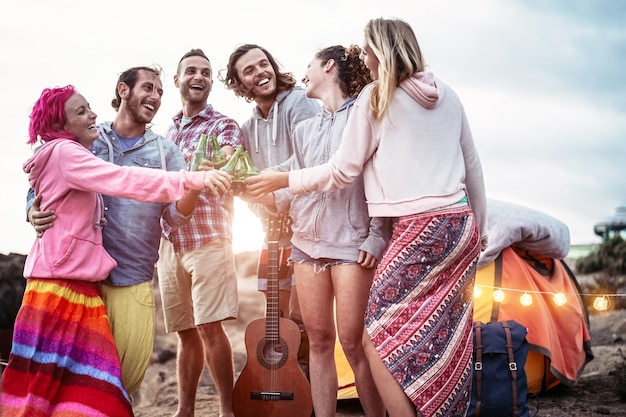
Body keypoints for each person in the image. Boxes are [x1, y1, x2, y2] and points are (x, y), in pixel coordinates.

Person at [244, 17, 489, 417]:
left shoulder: (376, 96)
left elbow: (343, 171)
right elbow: (473, 167)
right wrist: (480, 231)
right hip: (459, 224)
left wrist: (283, 179)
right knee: (449, 333)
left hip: (414, 227)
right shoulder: (448, 94)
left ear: (382, 50)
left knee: (374, 333)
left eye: (369, 49)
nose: (366, 58)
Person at [0, 85, 229, 416]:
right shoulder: (68, 153)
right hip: (60, 285)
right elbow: (122, 179)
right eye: (80, 112)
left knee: (62, 388)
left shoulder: (72, 152)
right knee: (77, 389)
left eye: (89, 108)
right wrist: (192, 180)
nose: (92, 114)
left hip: (74, 283)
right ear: (59, 125)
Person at [249, 44, 389, 417]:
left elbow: (381, 180)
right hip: (306, 247)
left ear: (328, 67)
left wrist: (377, 235)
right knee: (320, 343)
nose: (303, 73)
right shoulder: (304, 128)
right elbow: (290, 182)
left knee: (355, 344)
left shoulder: (364, 116)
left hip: (351, 246)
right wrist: (249, 187)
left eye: (309, 65)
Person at [156, 48, 242, 417]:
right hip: (169, 241)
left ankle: (227, 410)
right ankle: (185, 410)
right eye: (191, 71)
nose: (199, 77)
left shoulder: (224, 125)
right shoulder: (166, 133)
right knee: (185, 332)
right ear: (177, 80)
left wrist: (215, 164)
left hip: (208, 238)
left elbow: (226, 159)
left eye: (206, 72)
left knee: (209, 327)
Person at [220, 44, 320, 324]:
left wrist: (275, 198)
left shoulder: (301, 102)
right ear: (240, 84)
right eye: (249, 70)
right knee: (277, 318)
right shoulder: (247, 129)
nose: (261, 72)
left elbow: (311, 162)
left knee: (303, 321)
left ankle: (308, 370)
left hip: (309, 229)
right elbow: (246, 184)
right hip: (273, 233)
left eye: (264, 64)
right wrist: (263, 208)